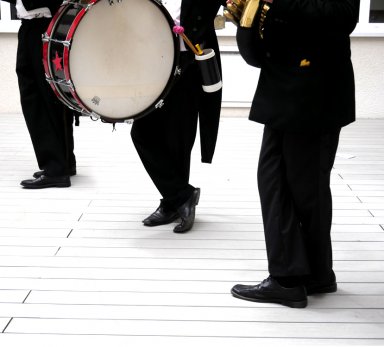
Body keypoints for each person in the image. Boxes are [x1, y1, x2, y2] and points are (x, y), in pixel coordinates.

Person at [226, 0, 360, 308]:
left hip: (312, 90)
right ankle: (315, 273)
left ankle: (289, 280)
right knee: (284, 181)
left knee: (302, 186)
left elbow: (343, 15)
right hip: (288, 87)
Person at [131, 0, 226, 233]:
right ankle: (182, 196)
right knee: (141, 133)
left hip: (191, 60)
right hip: (155, 59)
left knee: (179, 135)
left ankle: (172, 203)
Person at [2, 0, 76, 189]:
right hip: (45, 25)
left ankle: (55, 168)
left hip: (39, 26)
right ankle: (63, 162)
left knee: (36, 99)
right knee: (52, 97)